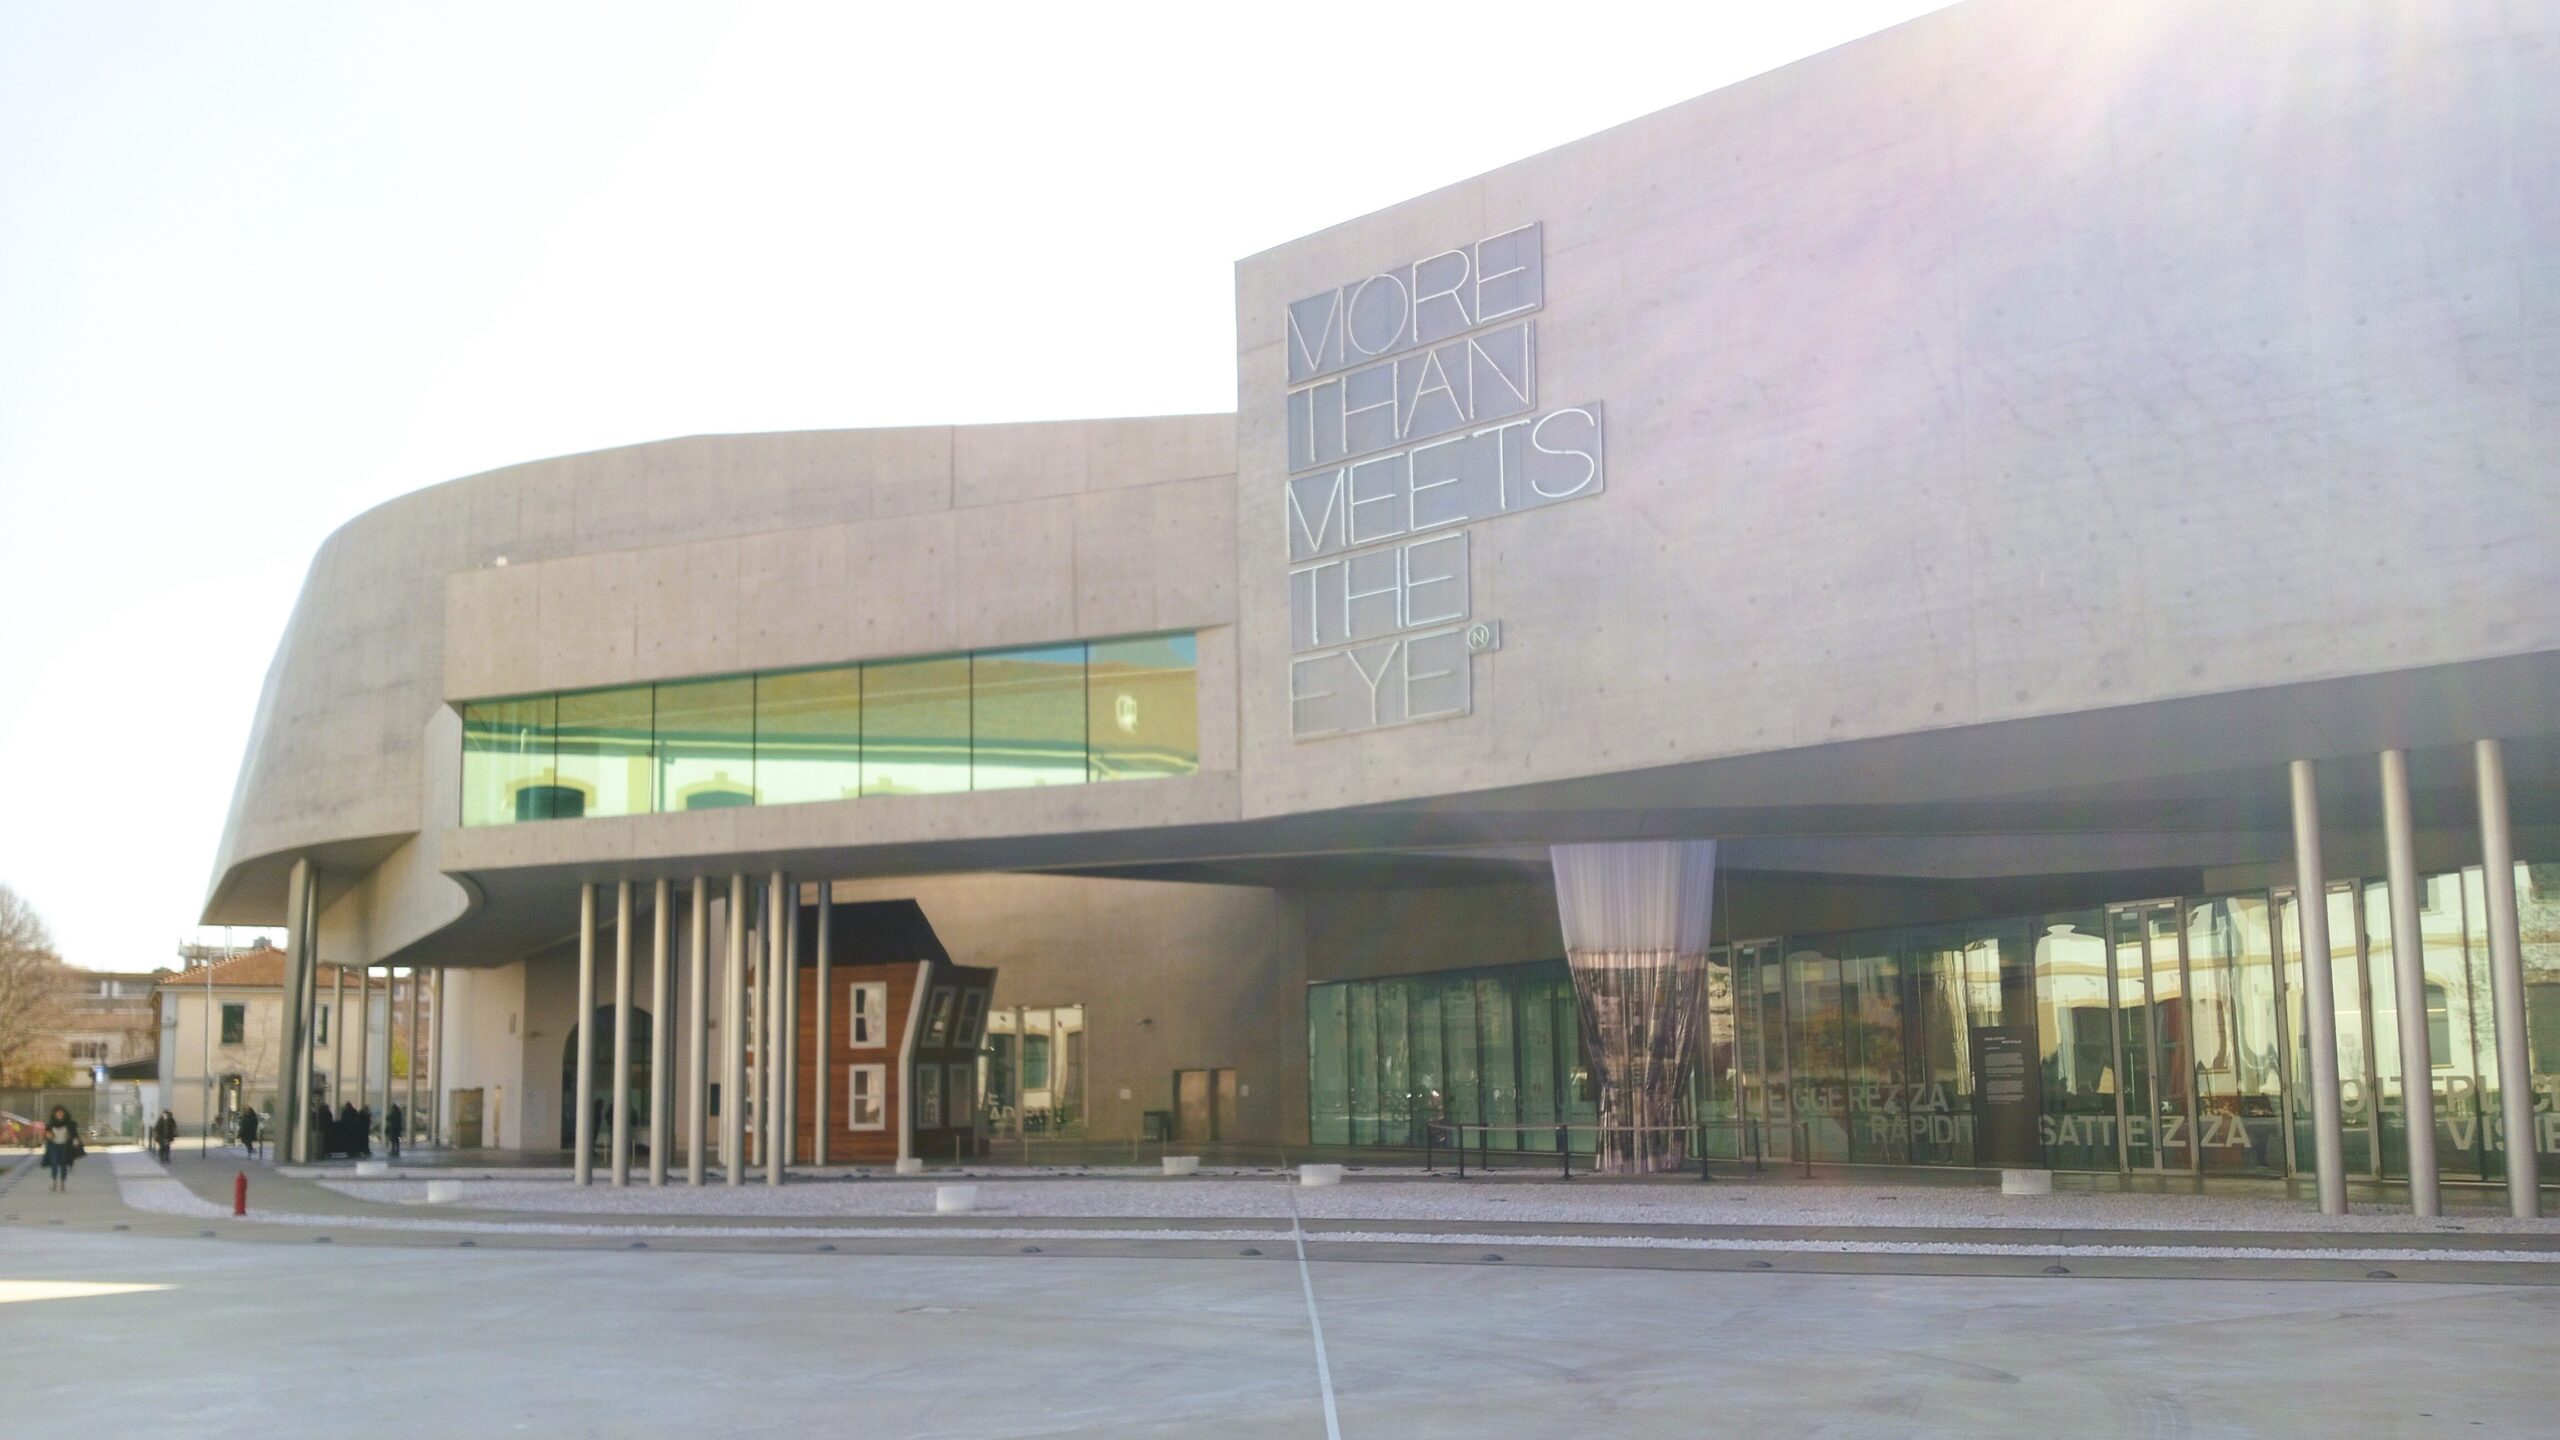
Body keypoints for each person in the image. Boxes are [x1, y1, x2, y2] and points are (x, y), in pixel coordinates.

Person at [40, 1106, 80, 1191]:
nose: (59, 1114)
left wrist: (75, 1141)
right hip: (54, 1146)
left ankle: (62, 1182)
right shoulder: (51, 1124)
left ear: (64, 1114)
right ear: (55, 1114)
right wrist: (48, 1136)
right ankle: (54, 1182)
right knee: (54, 1163)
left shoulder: (69, 1124)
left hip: (64, 1146)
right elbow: (46, 1134)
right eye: (58, 1113)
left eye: (61, 1113)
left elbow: (74, 1134)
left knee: (63, 1164)